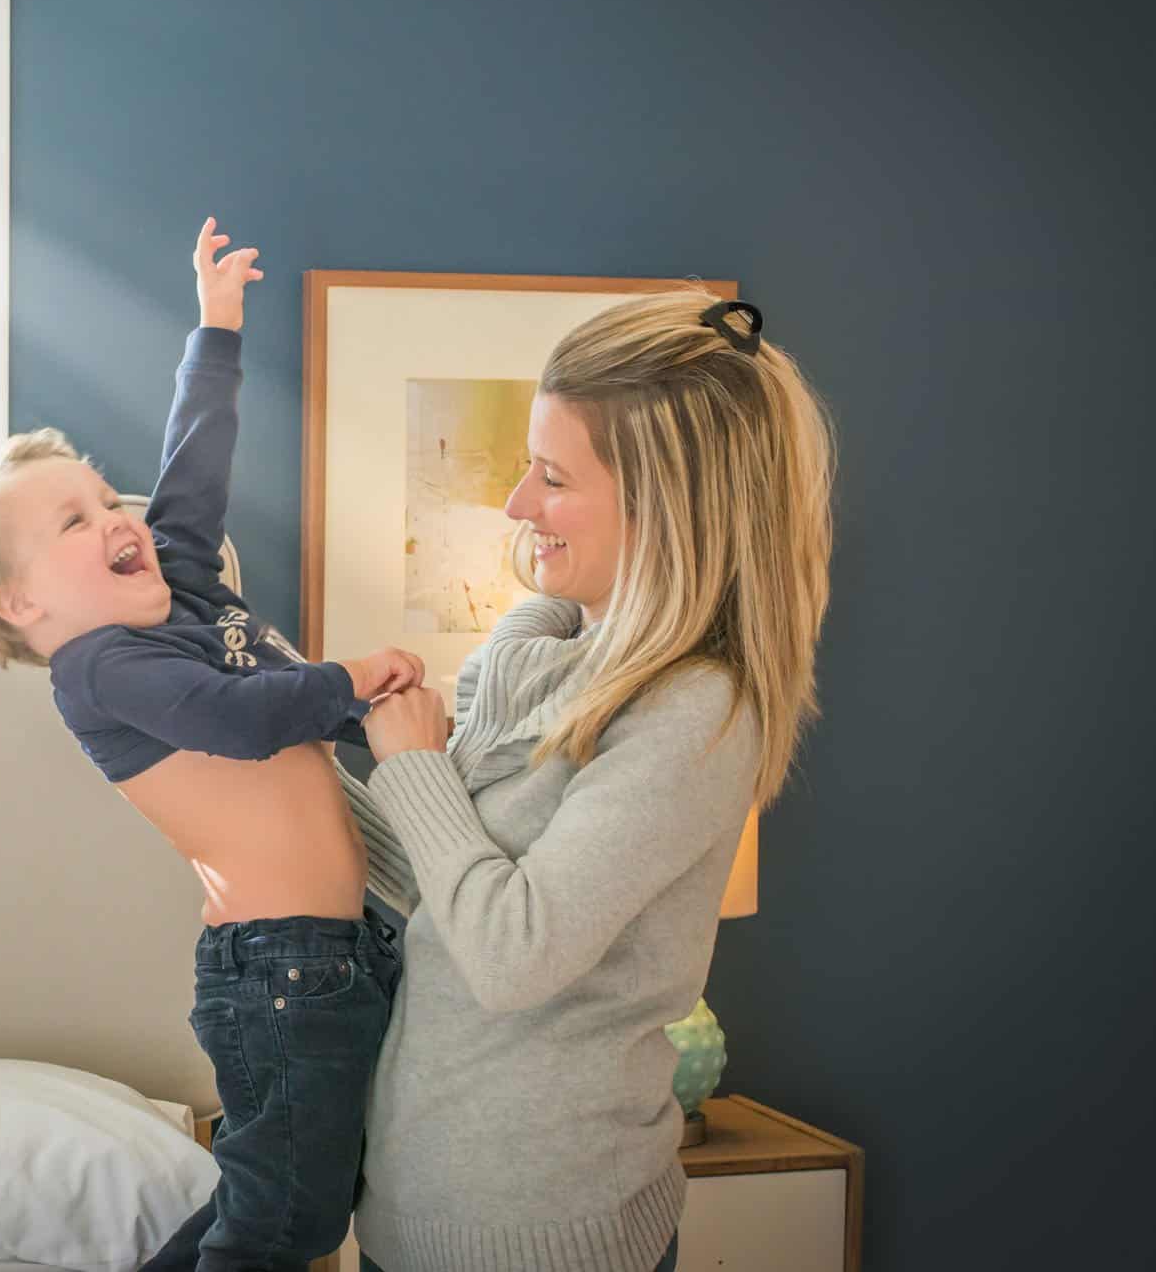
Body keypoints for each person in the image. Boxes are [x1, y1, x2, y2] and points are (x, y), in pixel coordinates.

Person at [0, 218, 419, 1270]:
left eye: (106, 496)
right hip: (280, 971)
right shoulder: (99, 670)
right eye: (73, 520)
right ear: (21, 603)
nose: (117, 516)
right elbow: (235, 720)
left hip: (341, 950)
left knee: (292, 1200)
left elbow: (194, 465)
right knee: (288, 1222)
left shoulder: (178, 586)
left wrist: (217, 324)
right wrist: (349, 680)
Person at [338, 293, 835, 1272]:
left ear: (666, 503)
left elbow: (513, 955)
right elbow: (431, 891)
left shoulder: (696, 710)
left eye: (553, 476)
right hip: (414, 1210)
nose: (518, 504)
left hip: (541, 1238)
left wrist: (411, 763)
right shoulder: (543, 647)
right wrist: (270, 729)